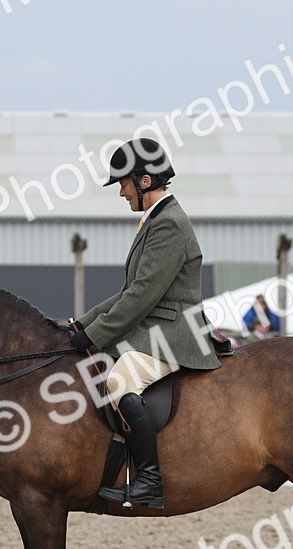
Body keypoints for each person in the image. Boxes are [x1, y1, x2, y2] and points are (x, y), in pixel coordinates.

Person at [70, 138, 222, 509]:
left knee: (120, 380)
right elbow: (129, 291)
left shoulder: (169, 225)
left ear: (145, 180)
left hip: (175, 332)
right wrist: (80, 326)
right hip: (155, 328)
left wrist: (94, 334)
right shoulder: (155, 221)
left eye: (123, 183)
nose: (121, 193)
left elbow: (141, 297)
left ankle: (149, 481)